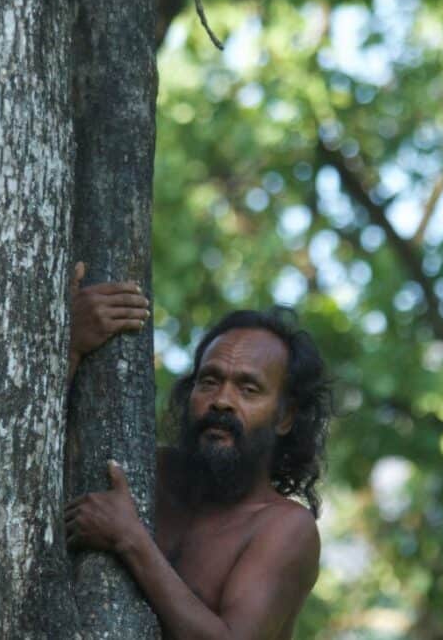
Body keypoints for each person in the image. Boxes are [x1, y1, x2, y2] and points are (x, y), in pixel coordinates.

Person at [64, 263, 331, 639]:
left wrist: (130, 539)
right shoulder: (144, 469)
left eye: (248, 389)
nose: (221, 401)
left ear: (285, 416)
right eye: (209, 381)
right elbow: (32, 469)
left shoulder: (284, 528)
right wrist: (71, 347)